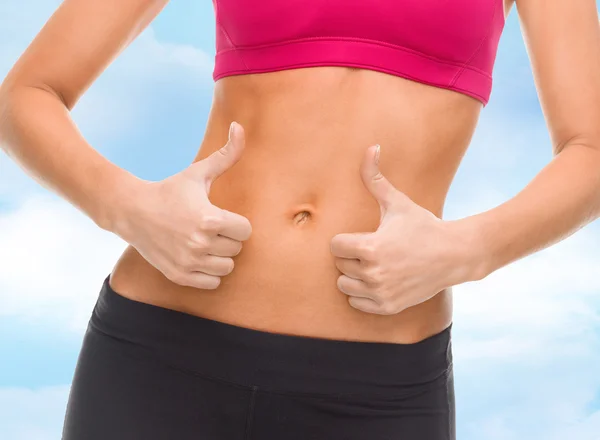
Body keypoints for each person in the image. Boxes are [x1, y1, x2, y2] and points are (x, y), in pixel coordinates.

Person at [1, 0, 600, 439]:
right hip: (162, 354)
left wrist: (468, 251)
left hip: (376, 389)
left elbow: (591, 148)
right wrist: (128, 209)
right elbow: (26, 93)